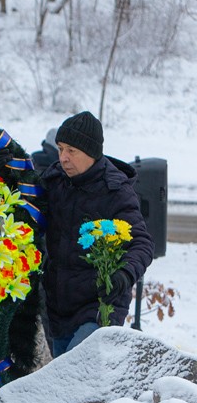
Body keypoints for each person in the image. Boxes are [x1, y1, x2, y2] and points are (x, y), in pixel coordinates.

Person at [39, 111, 154, 356]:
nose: (63, 158)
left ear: (90, 152)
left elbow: (142, 243)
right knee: (63, 384)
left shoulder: (115, 191)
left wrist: (124, 274)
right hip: (57, 308)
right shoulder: (55, 181)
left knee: (72, 377)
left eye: (71, 151)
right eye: (60, 149)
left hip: (97, 307)